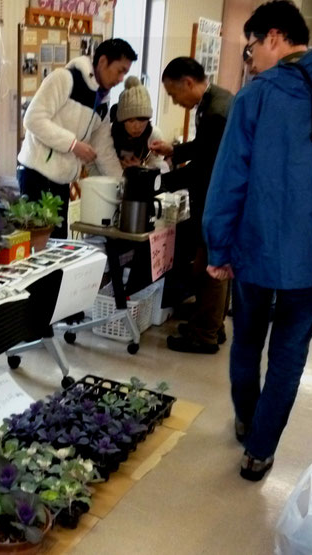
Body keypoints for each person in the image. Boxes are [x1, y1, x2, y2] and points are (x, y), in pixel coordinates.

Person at [202, 0, 312, 481]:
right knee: (290, 355)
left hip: (257, 250)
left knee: (247, 342)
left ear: (272, 37)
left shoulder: (255, 97)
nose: (251, 61)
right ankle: (260, 453)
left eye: (250, 50)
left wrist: (218, 248)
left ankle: (248, 420)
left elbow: (229, 181)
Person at [150, 57, 233, 354]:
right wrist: (175, 150)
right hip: (217, 195)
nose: (174, 101)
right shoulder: (216, 101)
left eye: (173, 94)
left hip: (218, 198)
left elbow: (205, 165)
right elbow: (204, 147)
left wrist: (160, 183)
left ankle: (204, 335)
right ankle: (211, 325)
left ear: (188, 82)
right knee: (208, 263)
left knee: (211, 267)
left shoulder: (215, 112)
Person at [17, 38, 137, 238]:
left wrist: (122, 184)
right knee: (37, 247)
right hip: (36, 174)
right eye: (120, 70)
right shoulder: (65, 79)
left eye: (126, 72)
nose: (121, 78)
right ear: (102, 62)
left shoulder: (103, 101)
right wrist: (72, 144)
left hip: (62, 180)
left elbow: (103, 150)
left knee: (57, 246)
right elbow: (32, 119)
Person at [111, 76, 165, 170]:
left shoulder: (154, 135)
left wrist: (141, 168)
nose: (137, 126)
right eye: (131, 120)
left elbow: (158, 168)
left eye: (142, 120)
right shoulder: (108, 132)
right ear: (122, 120)